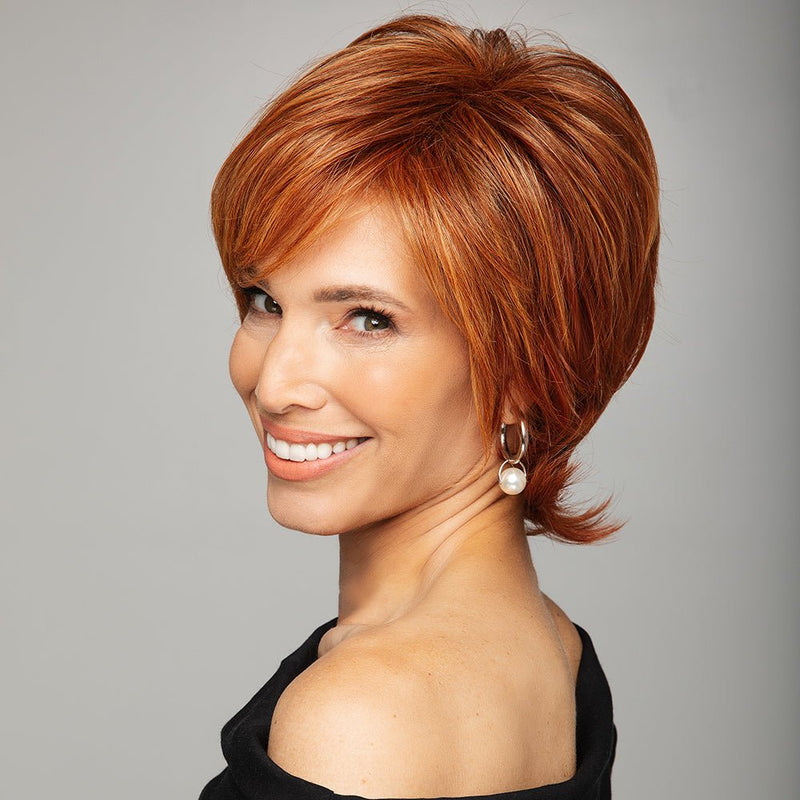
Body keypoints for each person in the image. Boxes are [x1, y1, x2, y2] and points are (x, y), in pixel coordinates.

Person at [199, 13, 659, 800]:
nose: (274, 384)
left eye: (367, 319)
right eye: (264, 300)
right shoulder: (552, 647)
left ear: (525, 365)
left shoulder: (358, 716)